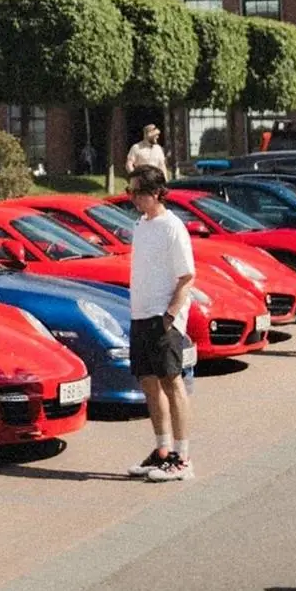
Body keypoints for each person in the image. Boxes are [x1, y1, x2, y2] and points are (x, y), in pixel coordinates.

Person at [125, 164, 196, 482]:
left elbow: (187, 276)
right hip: (140, 315)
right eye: (130, 191)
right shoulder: (141, 225)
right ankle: (163, 450)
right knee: (149, 384)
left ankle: (183, 458)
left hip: (162, 318)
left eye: (137, 192)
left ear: (156, 193)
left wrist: (169, 316)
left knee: (172, 382)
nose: (133, 198)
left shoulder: (173, 227)